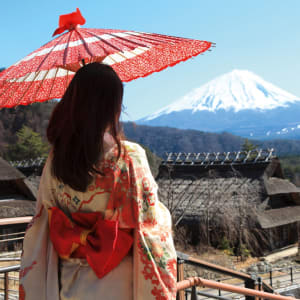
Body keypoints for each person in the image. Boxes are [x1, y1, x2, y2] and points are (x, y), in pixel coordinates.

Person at [19, 63, 177, 300]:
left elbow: (42, 220)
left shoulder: (56, 159)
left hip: (69, 283)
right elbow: (150, 225)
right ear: (113, 105)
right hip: (119, 284)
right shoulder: (130, 157)